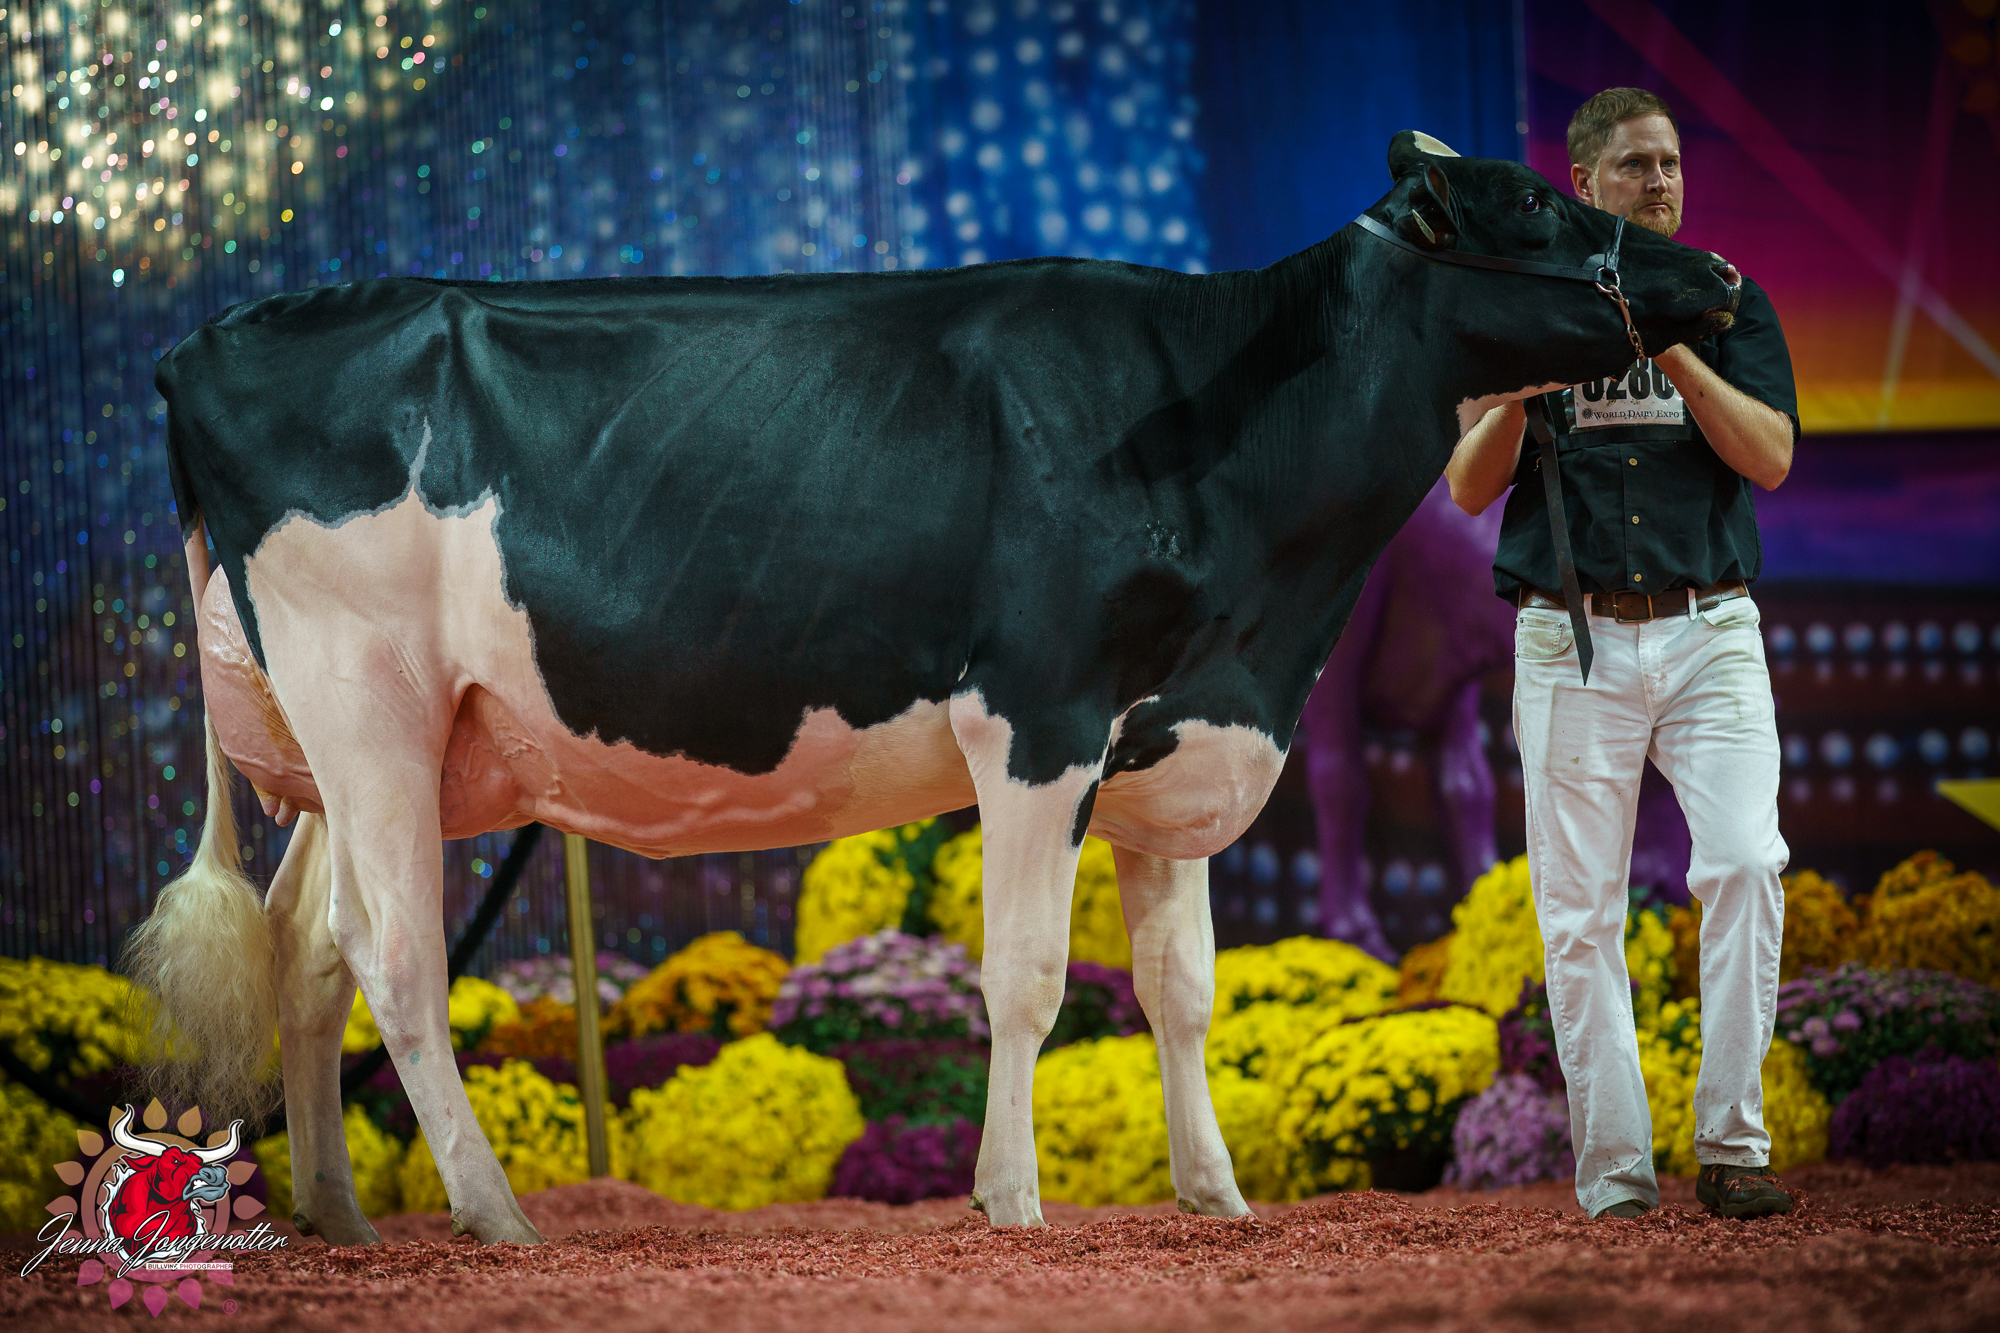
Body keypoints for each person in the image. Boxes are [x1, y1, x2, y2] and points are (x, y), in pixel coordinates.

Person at [1444, 87, 1800, 1221]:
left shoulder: (1724, 295)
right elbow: (1465, 487)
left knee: (1743, 863)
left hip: (1709, 628)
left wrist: (1673, 346)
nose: (1660, 182)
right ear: (1584, 180)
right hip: (1570, 636)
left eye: (1671, 163)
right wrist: (1523, 388)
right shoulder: (1530, 302)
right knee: (1578, 911)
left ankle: (1732, 1144)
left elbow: (1771, 457)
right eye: (1636, 165)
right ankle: (1614, 1176)